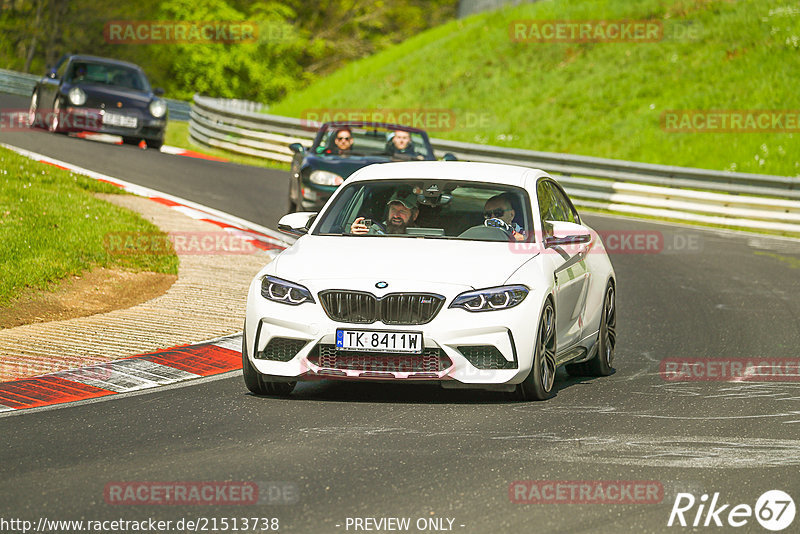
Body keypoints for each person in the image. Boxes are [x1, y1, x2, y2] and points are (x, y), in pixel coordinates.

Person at [351, 191, 419, 235]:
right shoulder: (373, 232)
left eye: (402, 211)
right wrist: (353, 236)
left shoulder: (423, 235)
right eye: (393, 209)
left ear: (415, 215)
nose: (396, 215)